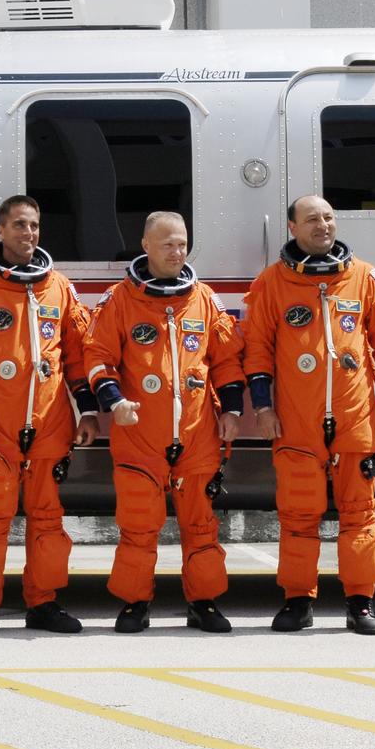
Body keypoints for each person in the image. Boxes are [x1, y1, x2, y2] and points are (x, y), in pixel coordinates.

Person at [243, 195, 375, 635]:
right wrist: (262, 407)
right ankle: (298, 601)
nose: (323, 225)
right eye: (312, 219)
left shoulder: (363, 278)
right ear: (292, 228)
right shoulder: (272, 284)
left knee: (360, 511)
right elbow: (257, 351)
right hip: (296, 420)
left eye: (328, 217)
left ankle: (361, 603)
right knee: (299, 513)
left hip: (356, 416)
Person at [0, 195, 100, 635]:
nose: (28, 233)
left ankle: (43, 603)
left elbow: (77, 355)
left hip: (49, 423)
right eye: (20, 225)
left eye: (34, 226)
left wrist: (87, 410)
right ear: (1, 230)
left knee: (48, 520)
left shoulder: (59, 288)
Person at [82, 212, 244, 633]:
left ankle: (204, 602)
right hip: (139, 432)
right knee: (138, 524)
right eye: (168, 244)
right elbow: (98, 357)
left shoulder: (204, 300)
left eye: (183, 243)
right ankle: (135, 603)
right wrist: (114, 402)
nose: (177, 252)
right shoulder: (119, 300)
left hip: (197, 433)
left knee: (201, 524)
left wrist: (231, 410)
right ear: (146, 246)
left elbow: (226, 360)